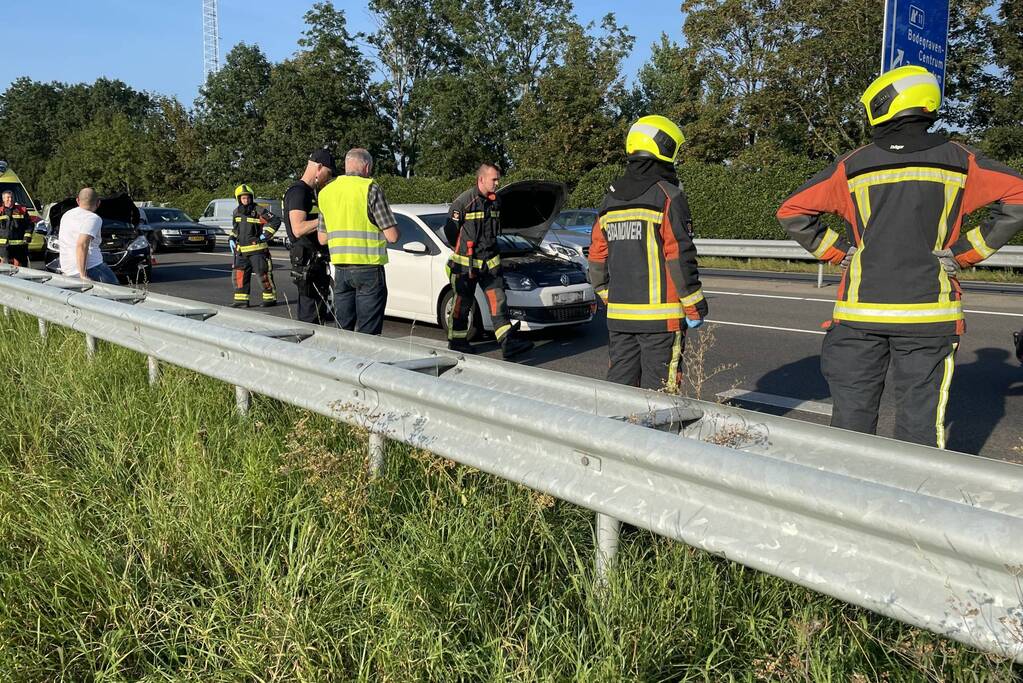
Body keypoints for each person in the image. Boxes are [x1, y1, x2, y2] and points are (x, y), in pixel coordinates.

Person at [777, 65, 1023, 448]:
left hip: (860, 315)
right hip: (929, 315)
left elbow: (792, 211)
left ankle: (847, 487)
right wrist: (965, 252)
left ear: (884, 106)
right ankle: (914, 488)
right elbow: (1018, 197)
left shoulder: (853, 164)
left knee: (851, 424)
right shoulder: (959, 159)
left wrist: (838, 252)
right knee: (919, 428)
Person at [587, 115, 707, 391]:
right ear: (663, 148)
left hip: (620, 319)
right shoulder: (668, 196)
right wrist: (694, 306)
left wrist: (608, 295)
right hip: (661, 323)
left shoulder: (610, 200)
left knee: (620, 392)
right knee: (661, 395)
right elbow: (679, 255)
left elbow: (596, 256)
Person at [444, 163, 533, 358]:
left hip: (490, 265)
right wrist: (461, 250)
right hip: (465, 266)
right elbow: (450, 231)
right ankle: (457, 341)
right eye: (494, 179)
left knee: (498, 301)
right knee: (462, 304)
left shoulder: (496, 201)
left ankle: (507, 343)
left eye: (498, 179)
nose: (497, 183)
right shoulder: (464, 202)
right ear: (481, 179)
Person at [316, 148, 399, 335]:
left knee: (343, 331)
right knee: (368, 333)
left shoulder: (326, 192)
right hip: (369, 268)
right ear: (367, 167)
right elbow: (392, 236)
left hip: (341, 270)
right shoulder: (371, 188)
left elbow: (322, 238)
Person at [285, 149, 336, 324]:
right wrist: (327, 218)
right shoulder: (298, 191)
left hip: (317, 262)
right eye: (328, 173)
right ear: (319, 167)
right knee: (310, 317)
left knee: (318, 314)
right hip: (307, 263)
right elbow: (298, 228)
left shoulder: (311, 192)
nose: (328, 179)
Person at [229, 184, 282, 308]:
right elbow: (235, 229)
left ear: (251, 198)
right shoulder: (236, 212)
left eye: (248, 197)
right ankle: (241, 301)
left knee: (263, 275)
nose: (246, 200)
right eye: (243, 198)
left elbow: (275, 221)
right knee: (239, 276)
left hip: (258, 251)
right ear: (238, 199)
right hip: (241, 252)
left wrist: (265, 235)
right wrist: (231, 238)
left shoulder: (259, 210)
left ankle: (269, 299)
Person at [58, 188, 118, 283]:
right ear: (98, 203)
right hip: (91, 267)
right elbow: (82, 244)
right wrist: (83, 275)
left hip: (67, 268)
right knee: (115, 288)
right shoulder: (93, 218)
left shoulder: (66, 215)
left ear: (78, 200)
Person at [0, 190, 33, 267]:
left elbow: (29, 225)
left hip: (19, 247)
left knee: (20, 269)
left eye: (12, 197)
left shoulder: (22, 210)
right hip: (3, 248)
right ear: (3, 199)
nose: (10, 199)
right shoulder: (0, 211)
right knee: (4, 269)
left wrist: (27, 236)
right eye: (8, 197)